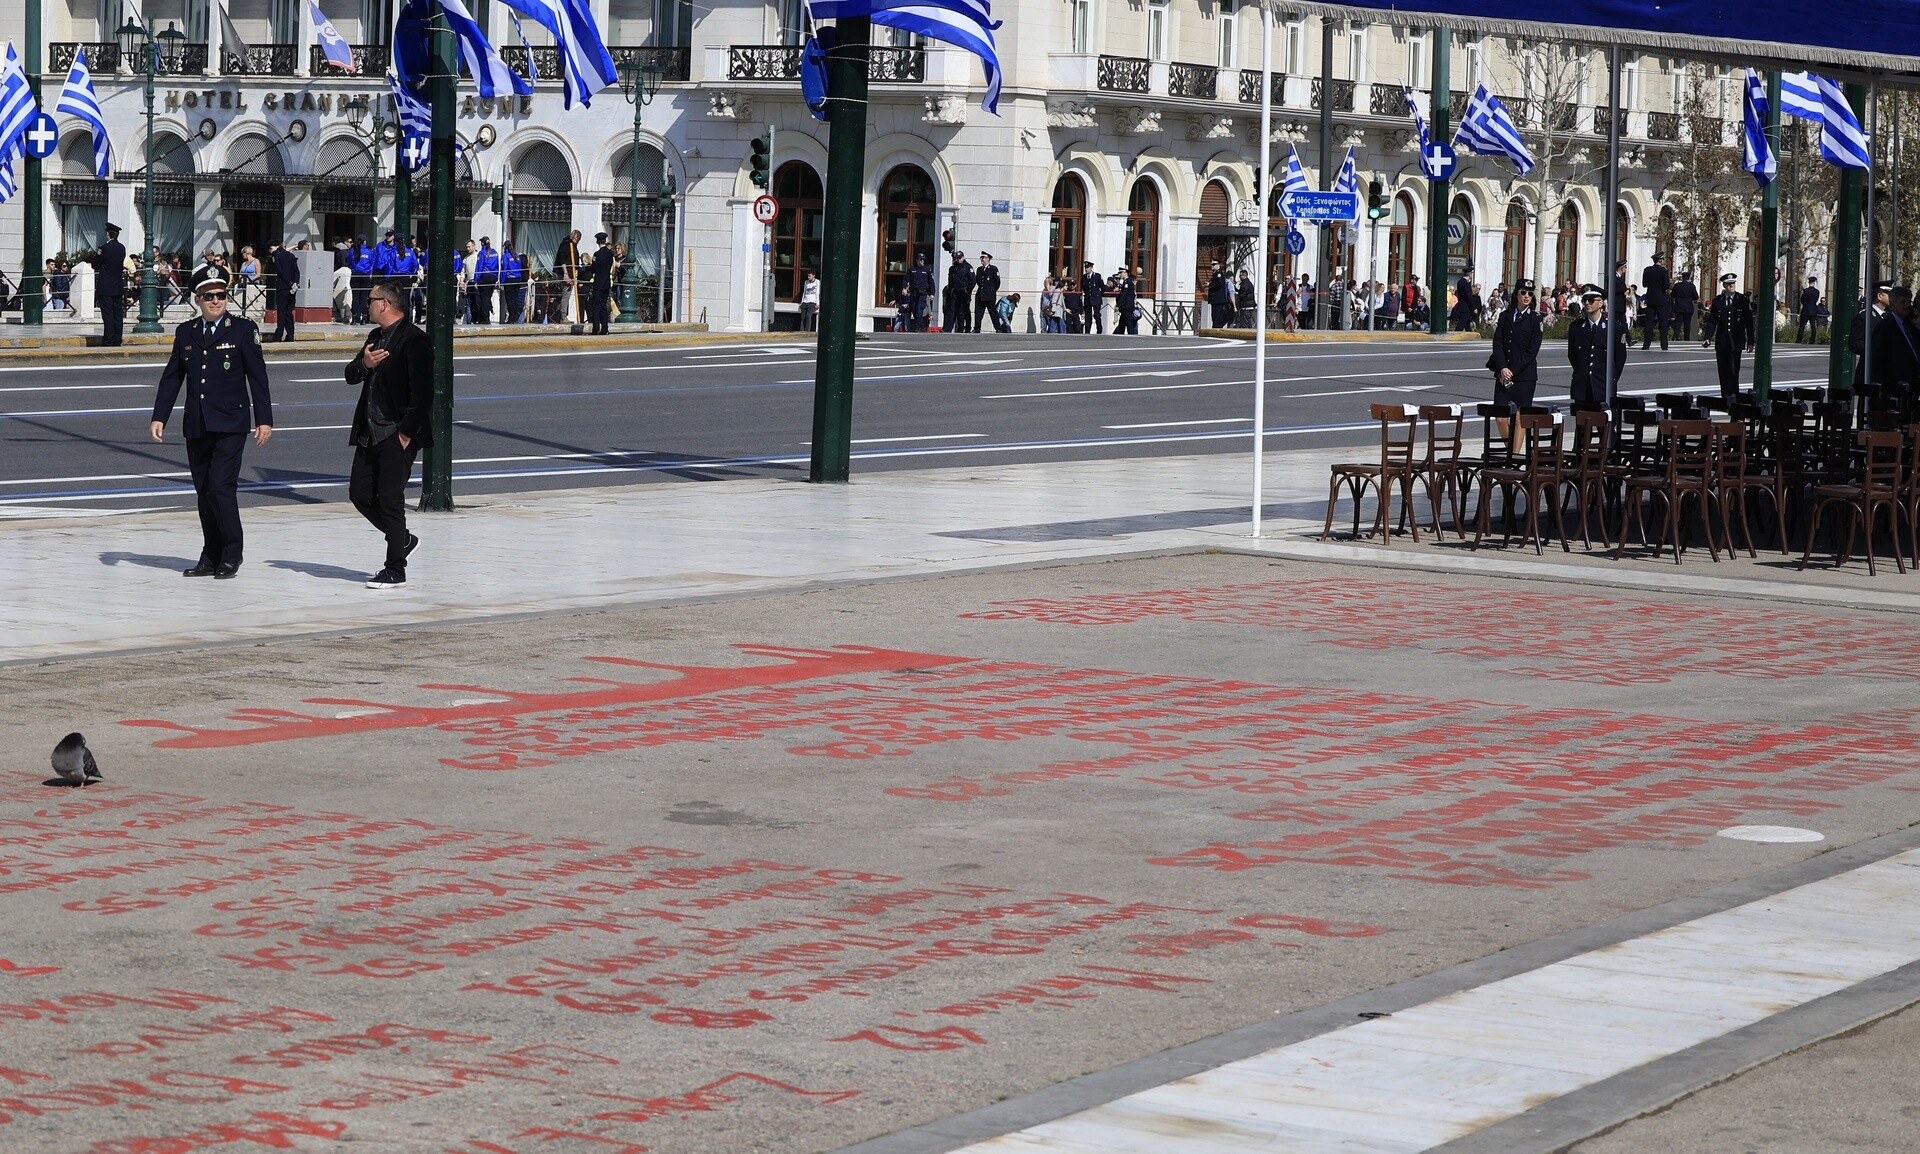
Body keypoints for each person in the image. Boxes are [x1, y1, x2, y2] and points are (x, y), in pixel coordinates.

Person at [147, 271, 273, 580]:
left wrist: (264, 420)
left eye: (221, 295)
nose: (216, 301)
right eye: (209, 296)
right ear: (198, 300)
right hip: (197, 422)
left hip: (231, 422)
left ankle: (232, 553)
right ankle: (210, 554)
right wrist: (159, 415)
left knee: (221, 487)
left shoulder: (243, 329)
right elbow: (173, 376)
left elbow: (258, 377)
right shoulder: (186, 332)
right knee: (204, 491)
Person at [345, 280, 432, 590]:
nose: (366, 305)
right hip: (369, 433)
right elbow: (350, 375)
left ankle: (395, 568)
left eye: (370, 300)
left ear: (384, 304)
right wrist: (364, 364)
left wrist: (405, 434)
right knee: (359, 494)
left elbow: (423, 396)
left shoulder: (414, 340)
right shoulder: (374, 336)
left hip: (396, 435)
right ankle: (403, 540)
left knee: (390, 501)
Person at [1488, 279, 1543, 445]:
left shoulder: (1535, 319)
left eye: (1530, 294)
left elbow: (1532, 351)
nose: (1526, 296)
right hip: (1504, 374)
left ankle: (1514, 457)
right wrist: (1503, 368)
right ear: (1516, 294)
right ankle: (1510, 451)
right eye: (1523, 293)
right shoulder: (1505, 316)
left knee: (1520, 418)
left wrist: (1513, 370)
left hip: (1524, 375)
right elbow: (1498, 343)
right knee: (1500, 418)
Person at [1568, 285, 1628, 406]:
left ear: (1600, 303)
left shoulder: (1614, 328)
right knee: (1582, 423)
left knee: (1605, 423)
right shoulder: (1576, 327)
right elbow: (1572, 355)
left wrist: (1611, 380)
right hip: (1582, 386)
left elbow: (1620, 358)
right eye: (1584, 300)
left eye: (1591, 300)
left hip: (1603, 386)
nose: (1587, 303)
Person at [1703, 272, 1755, 402]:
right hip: (1722, 341)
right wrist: (1708, 337)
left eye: (1733, 283)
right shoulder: (1717, 302)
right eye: (1729, 284)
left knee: (1733, 370)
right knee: (1723, 371)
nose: (1732, 286)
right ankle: (1724, 397)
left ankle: (1733, 397)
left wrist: (1751, 341)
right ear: (1725, 285)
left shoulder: (1742, 300)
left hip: (1736, 341)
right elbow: (1712, 321)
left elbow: (1749, 322)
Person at [1869, 285, 1920, 395]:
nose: (1907, 305)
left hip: (1911, 387)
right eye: (1903, 302)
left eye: (1908, 302)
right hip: (1894, 389)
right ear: (1892, 305)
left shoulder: (1909, 326)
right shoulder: (1885, 327)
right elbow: (1878, 360)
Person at [93, 222, 128, 345]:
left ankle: (108, 339)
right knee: (117, 314)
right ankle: (117, 338)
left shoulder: (104, 248)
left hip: (105, 286)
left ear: (108, 234)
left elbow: (95, 264)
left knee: (108, 314)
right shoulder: (121, 248)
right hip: (118, 285)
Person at [268, 240, 300, 343]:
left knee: (281, 312)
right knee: (289, 312)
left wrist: (289, 283)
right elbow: (296, 271)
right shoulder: (290, 255)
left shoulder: (275, 255)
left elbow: (280, 272)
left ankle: (278, 335)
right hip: (292, 288)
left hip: (283, 286)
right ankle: (290, 335)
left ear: (271, 247)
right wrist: (295, 283)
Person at [1640, 251, 1672, 351]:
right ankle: (1664, 345)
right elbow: (1666, 286)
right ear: (1660, 260)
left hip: (1650, 298)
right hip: (1661, 299)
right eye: (1662, 259)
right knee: (1663, 323)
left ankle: (1646, 345)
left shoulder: (1647, 270)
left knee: (1649, 323)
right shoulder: (1663, 271)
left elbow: (1644, 284)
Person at [553, 229, 583, 325]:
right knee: (566, 294)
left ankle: (561, 314)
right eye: (576, 238)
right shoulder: (566, 245)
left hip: (571, 273)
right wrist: (566, 274)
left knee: (567, 295)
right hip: (565, 273)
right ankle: (562, 316)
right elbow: (563, 260)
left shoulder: (572, 245)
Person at [587, 232, 614, 335]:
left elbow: (593, 269)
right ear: (605, 241)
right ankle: (605, 328)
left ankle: (596, 328)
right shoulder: (610, 254)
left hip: (598, 283)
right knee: (603, 306)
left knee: (596, 306)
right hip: (607, 283)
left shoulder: (597, 254)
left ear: (597, 241)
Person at [973, 252, 1004, 334]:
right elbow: (979, 282)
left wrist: (992, 291)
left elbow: (997, 282)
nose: (982, 259)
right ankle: (977, 328)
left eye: (984, 258)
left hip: (989, 295)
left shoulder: (993, 269)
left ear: (988, 259)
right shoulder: (979, 269)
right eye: (981, 258)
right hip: (981, 295)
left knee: (993, 313)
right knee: (978, 313)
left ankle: (998, 328)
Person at [944, 251, 973, 332]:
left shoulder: (968, 267)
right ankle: (948, 328)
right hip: (955, 292)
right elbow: (950, 282)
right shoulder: (953, 268)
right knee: (952, 310)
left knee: (964, 311)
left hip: (964, 292)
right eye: (957, 258)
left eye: (959, 258)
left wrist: (968, 289)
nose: (958, 260)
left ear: (963, 257)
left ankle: (965, 328)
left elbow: (972, 280)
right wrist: (950, 291)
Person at [472, 237, 499, 324]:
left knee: (484, 298)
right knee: (488, 298)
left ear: (482, 243)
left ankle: (485, 318)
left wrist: (476, 280)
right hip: (493, 277)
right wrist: (496, 278)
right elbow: (497, 266)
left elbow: (479, 267)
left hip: (484, 277)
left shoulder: (482, 253)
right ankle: (486, 317)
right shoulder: (495, 252)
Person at [349, 235, 375, 324]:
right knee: (364, 298)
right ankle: (364, 318)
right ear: (364, 241)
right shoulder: (369, 252)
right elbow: (372, 263)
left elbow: (349, 262)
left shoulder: (352, 251)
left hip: (355, 275)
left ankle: (354, 318)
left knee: (355, 297)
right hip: (365, 276)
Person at [905, 254, 935, 331]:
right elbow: (906, 279)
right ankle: (919, 325)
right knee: (914, 309)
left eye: (923, 260)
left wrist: (932, 293)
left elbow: (931, 282)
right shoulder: (912, 269)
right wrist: (904, 288)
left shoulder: (927, 270)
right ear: (917, 260)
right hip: (913, 293)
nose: (922, 261)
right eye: (921, 260)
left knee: (919, 310)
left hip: (922, 293)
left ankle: (919, 327)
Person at [1671, 270, 1699, 341]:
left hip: (1679, 305)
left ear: (1682, 278)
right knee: (1687, 323)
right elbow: (1695, 296)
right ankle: (1686, 338)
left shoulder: (1677, 285)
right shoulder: (1691, 286)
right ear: (1688, 278)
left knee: (1678, 323)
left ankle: (1675, 336)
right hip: (1688, 306)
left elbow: (1672, 295)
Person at [1205, 260, 1234, 329]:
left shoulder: (1219, 274)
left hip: (1218, 300)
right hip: (1215, 300)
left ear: (1218, 265)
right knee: (1214, 315)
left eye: (1214, 264)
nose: (1212, 266)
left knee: (1217, 316)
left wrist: (1210, 284)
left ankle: (1217, 328)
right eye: (1211, 264)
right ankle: (1215, 327)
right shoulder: (1214, 274)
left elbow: (1220, 284)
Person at [1079, 261, 1105, 334]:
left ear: (1091, 268)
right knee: (1088, 316)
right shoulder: (1084, 277)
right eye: (1085, 268)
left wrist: (1100, 296)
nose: (1086, 269)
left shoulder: (1097, 276)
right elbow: (1084, 287)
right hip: (1088, 299)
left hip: (1096, 298)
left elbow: (1102, 287)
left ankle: (1099, 329)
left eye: (1087, 267)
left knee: (1097, 315)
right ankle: (1087, 331)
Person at [1797, 276, 1824, 344]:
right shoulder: (1817, 292)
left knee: (1802, 326)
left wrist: (1805, 304)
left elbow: (1802, 300)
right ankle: (1812, 340)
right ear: (1814, 283)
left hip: (1806, 310)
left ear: (1809, 282)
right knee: (1813, 326)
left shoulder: (1806, 291)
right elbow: (1816, 300)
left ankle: (1799, 339)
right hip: (1813, 310)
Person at [1113, 267, 1138, 336]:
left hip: (1127, 306)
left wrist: (1118, 304)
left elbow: (1124, 295)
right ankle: (1120, 335)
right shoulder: (1125, 282)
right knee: (1122, 323)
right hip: (1124, 307)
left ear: (1125, 273)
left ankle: (1131, 336)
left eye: (1121, 273)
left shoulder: (1128, 282)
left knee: (1128, 322)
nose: (1120, 275)